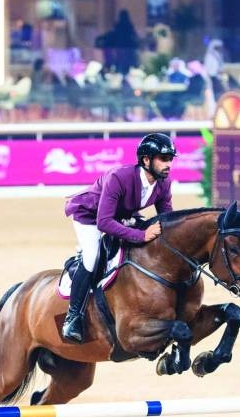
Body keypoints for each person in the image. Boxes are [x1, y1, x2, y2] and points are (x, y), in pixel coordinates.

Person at [60, 133, 174, 343]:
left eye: (170, 160)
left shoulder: (163, 183)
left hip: (121, 216)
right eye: (163, 159)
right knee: (92, 258)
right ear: (146, 160)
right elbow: (104, 222)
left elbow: (166, 219)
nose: (168, 165)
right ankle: (73, 317)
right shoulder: (119, 177)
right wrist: (141, 235)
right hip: (90, 216)